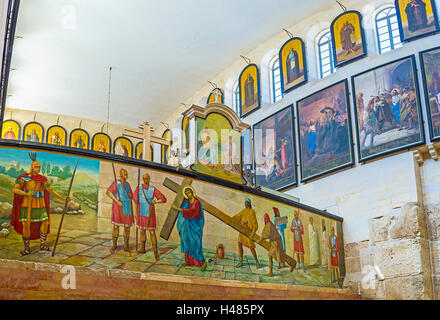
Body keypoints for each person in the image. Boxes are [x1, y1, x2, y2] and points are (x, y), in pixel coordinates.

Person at [10, 153, 69, 256]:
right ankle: (27, 249)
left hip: (40, 205)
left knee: (45, 223)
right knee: (26, 225)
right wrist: (26, 193)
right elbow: (15, 189)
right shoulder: (23, 178)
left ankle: (42, 245)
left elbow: (51, 190)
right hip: (27, 204)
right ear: (32, 166)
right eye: (36, 166)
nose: (38, 168)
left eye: (39, 167)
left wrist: (63, 198)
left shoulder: (42, 179)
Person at [172, 186, 207, 271]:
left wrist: (180, 210)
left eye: (190, 192)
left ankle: (200, 262)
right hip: (187, 226)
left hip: (195, 226)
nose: (189, 194)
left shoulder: (196, 202)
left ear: (192, 193)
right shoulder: (186, 203)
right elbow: (184, 212)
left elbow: (193, 211)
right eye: (187, 193)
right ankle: (189, 261)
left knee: (195, 243)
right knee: (186, 240)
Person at [133, 173, 167, 259]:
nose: (146, 180)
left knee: (152, 232)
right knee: (142, 231)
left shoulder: (152, 189)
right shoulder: (139, 188)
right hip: (140, 212)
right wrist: (135, 212)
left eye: (147, 178)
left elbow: (163, 199)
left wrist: (156, 201)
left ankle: (156, 252)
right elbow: (135, 200)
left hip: (150, 212)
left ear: (149, 179)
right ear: (143, 179)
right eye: (144, 178)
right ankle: (143, 248)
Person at [106, 168, 134, 253]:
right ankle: (114, 245)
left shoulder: (127, 184)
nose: (126, 175)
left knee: (127, 228)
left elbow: (131, 195)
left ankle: (126, 246)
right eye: (125, 174)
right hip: (118, 207)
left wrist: (130, 195)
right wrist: (116, 200)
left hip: (127, 207)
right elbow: (108, 192)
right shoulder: (116, 183)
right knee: (116, 227)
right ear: (121, 175)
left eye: (127, 174)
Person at [231, 198, 261, 269]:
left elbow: (255, 224)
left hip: (248, 232)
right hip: (242, 231)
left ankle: (257, 262)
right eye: (245, 203)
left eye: (247, 202)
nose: (245, 204)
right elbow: (237, 217)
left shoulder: (252, 212)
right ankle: (241, 261)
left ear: (249, 204)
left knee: (251, 248)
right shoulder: (243, 211)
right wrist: (230, 219)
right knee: (239, 244)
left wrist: (252, 234)